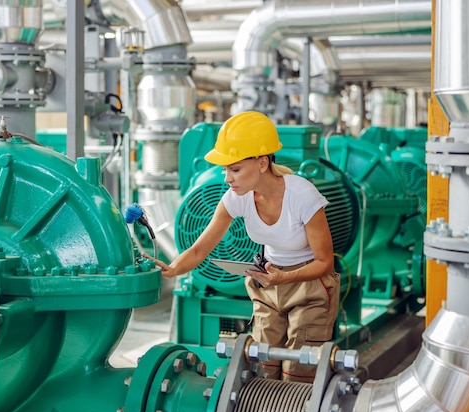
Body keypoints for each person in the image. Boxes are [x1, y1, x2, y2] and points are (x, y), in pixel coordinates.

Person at [145, 111, 340, 383]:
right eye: (225, 170)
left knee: (300, 368)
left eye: (234, 169)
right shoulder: (237, 197)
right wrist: (174, 268)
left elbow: (324, 263)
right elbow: (201, 249)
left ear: (262, 163)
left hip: (309, 283)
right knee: (263, 362)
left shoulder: (303, 196)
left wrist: (285, 278)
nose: (227, 178)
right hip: (267, 282)